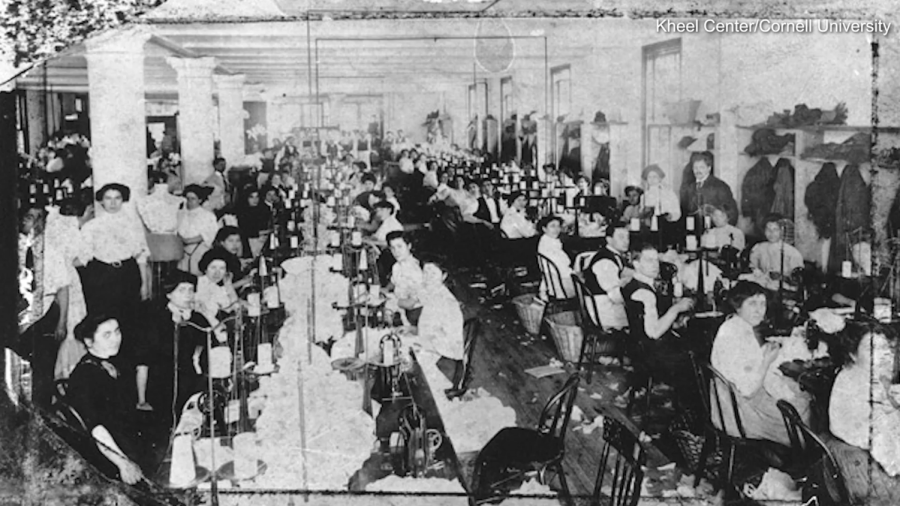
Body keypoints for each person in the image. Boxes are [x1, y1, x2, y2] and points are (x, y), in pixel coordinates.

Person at [710, 281, 809, 446]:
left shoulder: (735, 325)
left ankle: (788, 454)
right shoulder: (735, 334)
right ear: (738, 305)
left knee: (795, 389)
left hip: (730, 401)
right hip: (739, 413)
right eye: (752, 303)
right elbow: (748, 390)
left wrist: (762, 354)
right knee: (803, 406)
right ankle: (797, 459)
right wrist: (766, 361)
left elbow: (744, 366)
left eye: (762, 304)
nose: (759, 309)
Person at [66, 314, 146, 483]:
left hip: (126, 435)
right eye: (107, 335)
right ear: (89, 341)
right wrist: (123, 463)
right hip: (108, 451)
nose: (116, 339)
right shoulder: (84, 376)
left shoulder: (113, 361)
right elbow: (95, 426)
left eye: (117, 332)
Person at [828, 324, 900, 505]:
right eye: (871, 349)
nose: (882, 354)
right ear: (852, 354)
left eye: (885, 348)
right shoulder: (857, 386)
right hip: (866, 473)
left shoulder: (854, 374)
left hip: (858, 457)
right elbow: (882, 445)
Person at [621, 244, 697, 405]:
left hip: (637, 348)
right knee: (698, 355)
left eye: (656, 260)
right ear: (636, 264)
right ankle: (687, 412)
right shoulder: (645, 294)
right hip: (651, 354)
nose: (655, 265)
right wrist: (676, 309)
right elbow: (654, 332)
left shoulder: (632, 284)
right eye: (648, 260)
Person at [14, 207, 71, 408]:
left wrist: (62, 322)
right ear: (21, 221)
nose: (35, 223)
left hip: (46, 313)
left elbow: (63, 288)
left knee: (44, 368)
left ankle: (42, 414)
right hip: (18, 314)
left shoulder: (52, 250)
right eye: (30, 217)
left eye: (40, 219)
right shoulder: (11, 249)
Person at [134, 271, 208, 415]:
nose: (188, 295)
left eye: (191, 290)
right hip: (161, 385)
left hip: (192, 383)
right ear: (169, 294)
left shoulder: (198, 319)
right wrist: (141, 400)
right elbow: (143, 363)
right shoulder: (154, 319)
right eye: (181, 290)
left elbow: (214, 345)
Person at [79, 183, 150, 331]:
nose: (112, 203)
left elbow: (141, 257)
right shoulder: (91, 226)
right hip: (101, 274)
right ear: (101, 201)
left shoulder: (133, 226)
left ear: (123, 200)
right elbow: (83, 257)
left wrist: (144, 284)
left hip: (127, 273)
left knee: (129, 318)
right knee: (102, 317)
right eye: (108, 198)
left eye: (117, 198)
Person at [585, 222, 632, 330]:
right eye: (621, 237)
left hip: (603, 302)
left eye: (627, 237)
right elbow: (615, 296)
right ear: (609, 240)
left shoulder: (612, 254)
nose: (626, 241)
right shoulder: (605, 261)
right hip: (604, 310)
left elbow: (622, 270)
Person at [415, 261, 464, 362]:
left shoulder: (445, 301)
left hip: (444, 356)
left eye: (433, 274)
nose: (428, 277)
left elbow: (451, 342)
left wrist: (418, 341)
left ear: (444, 276)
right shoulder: (435, 292)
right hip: (434, 346)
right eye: (425, 273)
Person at [679, 151, 738, 225]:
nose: (698, 171)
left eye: (701, 167)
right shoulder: (690, 188)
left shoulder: (720, 186)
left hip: (715, 230)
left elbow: (731, 212)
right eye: (695, 168)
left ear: (709, 168)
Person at [746, 214, 804, 291]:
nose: (771, 233)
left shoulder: (791, 252)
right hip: (764, 282)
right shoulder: (759, 247)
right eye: (768, 229)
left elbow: (798, 279)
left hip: (784, 286)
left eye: (775, 229)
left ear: (782, 231)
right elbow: (753, 266)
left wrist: (782, 277)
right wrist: (757, 272)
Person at [178, 184, 220, 276]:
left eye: (193, 199)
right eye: (187, 198)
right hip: (182, 250)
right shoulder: (180, 214)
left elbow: (210, 233)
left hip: (199, 249)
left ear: (200, 200)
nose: (189, 202)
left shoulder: (207, 215)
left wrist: (189, 240)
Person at [385, 232, 424, 326]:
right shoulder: (397, 266)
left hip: (416, 315)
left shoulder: (415, 270)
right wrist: (382, 290)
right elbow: (393, 282)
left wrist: (388, 301)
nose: (396, 251)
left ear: (409, 246)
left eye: (399, 246)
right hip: (401, 310)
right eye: (393, 248)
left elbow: (410, 304)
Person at [194, 249, 241, 325]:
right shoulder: (197, 284)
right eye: (213, 268)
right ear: (205, 269)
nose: (217, 273)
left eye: (222, 268)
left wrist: (228, 284)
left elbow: (235, 308)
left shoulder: (218, 288)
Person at [536, 215, 575, 299]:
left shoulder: (548, 240)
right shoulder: (547, 245)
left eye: (558, 226)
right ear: (544, 229)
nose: (556, 229)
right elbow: (563, 266)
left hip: (553, 280)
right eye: (552, 226)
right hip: (560, 284)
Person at [235, 186, 271, 258]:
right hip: (249, 243)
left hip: (264, 240)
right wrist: (266, 232)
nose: (255, 200)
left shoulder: (263, 209)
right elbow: (246, 231)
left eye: (257, 197)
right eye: (251, 197)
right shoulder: (242, 212)